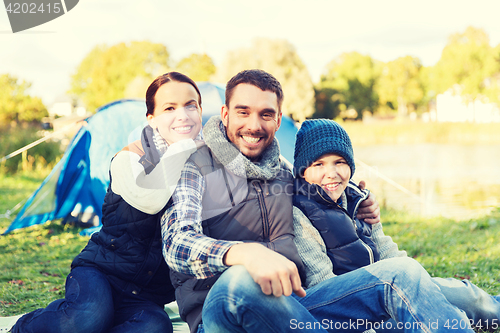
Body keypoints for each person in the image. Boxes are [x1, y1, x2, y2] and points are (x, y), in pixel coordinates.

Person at [162, 69, 474, 333]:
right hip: (222, 308)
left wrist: (358, 201)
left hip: (298, 304)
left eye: (266, 114)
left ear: (279, 118)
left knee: (402, 272)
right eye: (243, 112)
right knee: (241, 280)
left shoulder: (280, 169)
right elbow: (176, 244)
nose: (254, 125)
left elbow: (325, 186)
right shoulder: (192, 165)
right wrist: (245, 254)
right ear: (226, 114)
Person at [10, 72, 203, 333]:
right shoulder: (130, 158)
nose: (183, 115)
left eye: (191, 105)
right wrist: (184, 147)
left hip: (145, 294)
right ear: (152, 119)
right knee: (87, 317)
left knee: (155, 328)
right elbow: (151, 200)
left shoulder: (205, 166)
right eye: (170, 108)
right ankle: (24, 327)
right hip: (101, 274)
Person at [292, 118, 500, 332]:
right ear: (302, 171)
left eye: (339, 162)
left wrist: (422, 287)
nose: (331, 172)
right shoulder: (299, 213)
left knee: (463, 296)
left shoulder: (356, 200)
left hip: (388, 289)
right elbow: (324, 284)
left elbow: (388, 252)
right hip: (354, 310)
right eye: (319, 164)